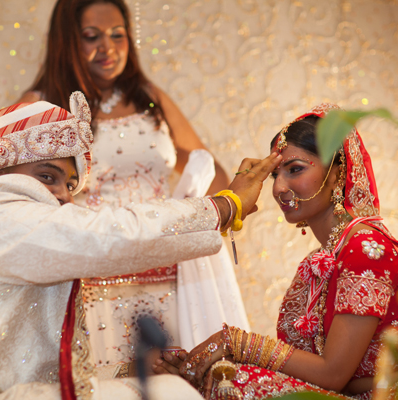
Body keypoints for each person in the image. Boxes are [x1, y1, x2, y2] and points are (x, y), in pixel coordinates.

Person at [0, 92, 280, 400]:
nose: (64, 196)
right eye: (47, 176)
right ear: (0, 171)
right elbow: (108, 234)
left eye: (69, 185)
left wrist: (129, 370)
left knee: (162, 388)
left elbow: (29, 360)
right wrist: (224, 207)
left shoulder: (3, 229)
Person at [19, 0, 249, 366]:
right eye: (91, 36)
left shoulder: (149, 97)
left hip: (172, 281)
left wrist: (228, 196)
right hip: (94, 285)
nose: (107, 48)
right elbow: (23, 203)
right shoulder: (41, 107)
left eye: (117, 35)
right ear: (67, 41)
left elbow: (209, 171)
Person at [154, 103, 398, 400]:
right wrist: (198, 368)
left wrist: (236, 343)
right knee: (220, 377)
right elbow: (302, 370)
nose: (278, 187)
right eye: (275, 175)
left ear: (336, 173)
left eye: (294, 170)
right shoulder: (319, 259)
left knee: (234, 383)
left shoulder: (366, 248)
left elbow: (333, 374)